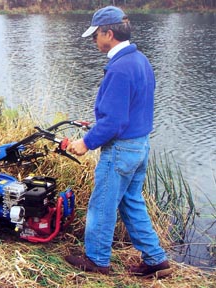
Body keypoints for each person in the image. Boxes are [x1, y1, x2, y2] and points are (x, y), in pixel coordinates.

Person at [65, 6, 172, 278]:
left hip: (121, 149)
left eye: (95, 35)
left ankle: (97, 260)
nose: (93, 40)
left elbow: (114, 122)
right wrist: (99, 122)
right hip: (139, 145)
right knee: (131, 202)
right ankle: (156, 259)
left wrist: (86, 142)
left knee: (102, 204)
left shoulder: (119, 68)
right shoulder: (140, 60)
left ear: (108, 33)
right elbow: (131, 107)